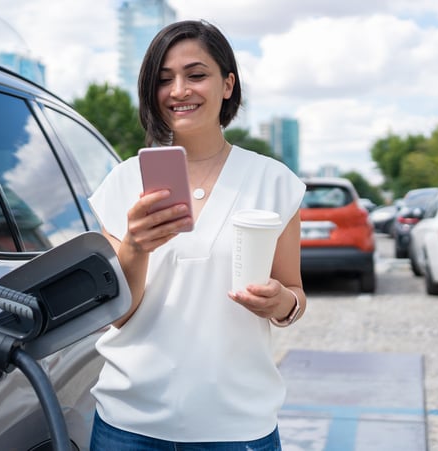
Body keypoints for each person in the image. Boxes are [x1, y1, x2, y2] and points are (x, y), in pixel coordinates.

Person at [87, 19, 307, 450]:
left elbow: (295, 295)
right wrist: (135, 246)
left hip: (238, 428)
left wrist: (281, 302)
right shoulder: (124, 182)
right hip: (129, 426)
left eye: (196, 75)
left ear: (227, 84)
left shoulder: (274, 181)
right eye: (164, 79)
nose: (179, 90)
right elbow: (117, 314)